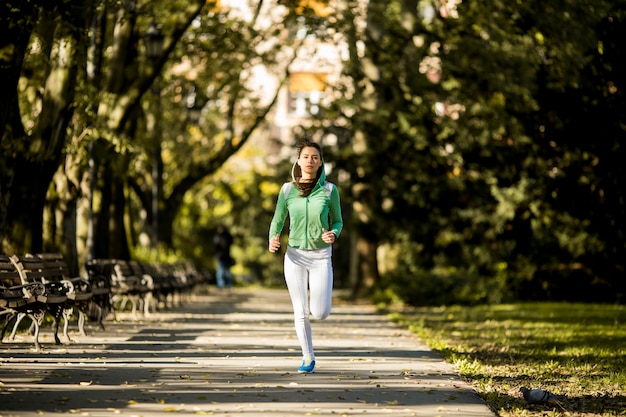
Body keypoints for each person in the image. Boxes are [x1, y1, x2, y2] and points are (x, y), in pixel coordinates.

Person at [268, 138, 343, 374]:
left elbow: (338, 220)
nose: (310, 161)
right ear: (298, 161)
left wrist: (334, 233)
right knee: (300, 310)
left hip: (321, 256)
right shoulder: (287, 189)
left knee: (320, 312)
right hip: (295, 256)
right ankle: (307, 357)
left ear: (320, 163)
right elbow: (278, 219)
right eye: (305, 157)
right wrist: (273, 237)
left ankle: (315, 311)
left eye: (315, 157)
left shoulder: (330, 190)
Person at [213, 224, 234, 290]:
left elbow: (231, 242)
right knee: (220, 272)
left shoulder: (227, 236)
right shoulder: (217, 236)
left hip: (226, 257)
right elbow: (215, 246)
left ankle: (228, 285)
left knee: (227, 272)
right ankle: (220, 285)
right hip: (220, 257)